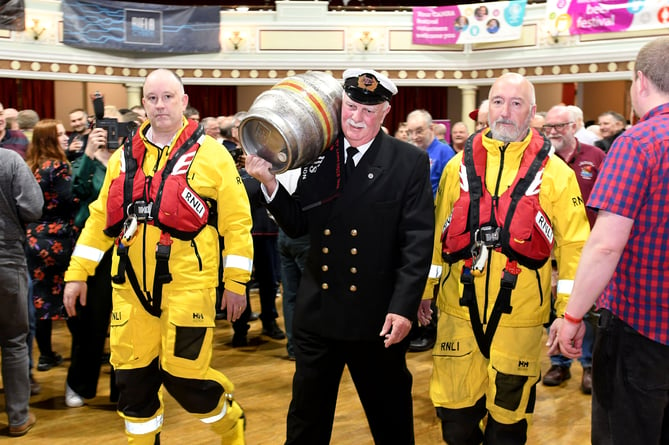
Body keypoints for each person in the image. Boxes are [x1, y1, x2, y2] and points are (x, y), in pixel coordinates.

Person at [63, 68, 253, 445]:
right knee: (133, 383)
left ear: (183, 101)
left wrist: (236, 284)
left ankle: (231, 424)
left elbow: (237, 224)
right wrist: (77, 272)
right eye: (152, 98)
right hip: (130, 288)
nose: (160, 105)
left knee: (186, 378)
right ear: (144, 104)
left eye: (168, 97)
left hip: (188, 286)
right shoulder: (122, 156)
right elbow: (101, 217)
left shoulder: (213, 155)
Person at [245, 68, 434, 444]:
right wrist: (269, 183)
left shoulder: (407, 161)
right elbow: (299, 225)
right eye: (350, 107)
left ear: (384, 113)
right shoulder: (318, 154)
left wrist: (404, 307)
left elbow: (417, 243)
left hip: (377, 318)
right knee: (305, 423)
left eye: (367, 110)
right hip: (320, 315)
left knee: (391, 420)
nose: (356, 118)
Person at [422, 72, 589, 444]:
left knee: (508, 428)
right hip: (456, 315)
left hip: (520, 318)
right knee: (456, 424)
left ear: (532, 113)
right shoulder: (456, 167)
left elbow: (576, 246)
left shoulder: (556, 173)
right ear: (485, 110)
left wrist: (567, 312)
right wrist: (426, 290)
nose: (506, 112)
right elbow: (436, 234)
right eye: (498, 102)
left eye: (516, 104)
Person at [552, 36, 669, 445]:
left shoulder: (639, 142)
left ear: (639, 82)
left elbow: (605, 244)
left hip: (642, 332)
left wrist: (571, 316)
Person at [541, 105, 605, 394]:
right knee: (553, 308)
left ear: (574, 126)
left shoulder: (596, 157)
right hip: (547, 253)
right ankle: (558, 362)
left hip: (587, 250)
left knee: (586, 309)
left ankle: (588, 365)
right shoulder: (539, 160)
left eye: (560, 126)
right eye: (548, 127)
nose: (553, 132)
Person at [64, 112, 127, 408]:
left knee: (125, 324)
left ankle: (122, 389)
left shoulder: (132, 161)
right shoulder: (83, 161)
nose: (112, 133)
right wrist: (90, 152)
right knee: (91, 322)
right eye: (105, 127)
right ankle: (79, 383)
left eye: (117, 127)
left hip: (127, 249)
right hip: (93, 251)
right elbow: (74, 192)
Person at [25, 119, 77, 373]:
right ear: (49, 139)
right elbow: (71, 199)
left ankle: (46, 355)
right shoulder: (58, 167)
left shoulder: (30, 166)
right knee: (71, 297)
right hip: (59, 239)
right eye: (59, 134)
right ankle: (83, 350)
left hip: (33, 238)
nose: (65, 137)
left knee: (41, 300)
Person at [0, 146, 43, 437]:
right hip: (6, 257)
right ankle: (17, 418)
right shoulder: (10, 160)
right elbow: (32, 207)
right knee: (14, 340)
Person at [406, 109, 455, 197]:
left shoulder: (444, 151)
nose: (414, 137)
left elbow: (451, 187)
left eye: (419, 131)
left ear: (431, 128)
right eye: (410, 132)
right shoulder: (410, 152)